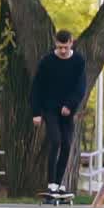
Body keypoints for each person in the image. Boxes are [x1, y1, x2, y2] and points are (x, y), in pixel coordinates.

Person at [30, 29, 87, 194]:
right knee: (55, 140)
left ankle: (60, 183)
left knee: (67, 144)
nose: (62, 51)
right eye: (60, 47)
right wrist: (36, 112)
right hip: (50, 108)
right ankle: (51, 184)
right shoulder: (47, 61)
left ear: (71, 42)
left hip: (68, 110)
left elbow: (80, 87)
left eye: (65, 47)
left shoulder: (78, 61)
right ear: (55, 43)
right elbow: (37, 87)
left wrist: (69, 105)